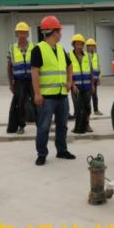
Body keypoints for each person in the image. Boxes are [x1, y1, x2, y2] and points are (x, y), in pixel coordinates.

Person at [30, 16, 75, 166]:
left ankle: (62, 150)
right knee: (44, 127)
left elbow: (69, 66)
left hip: (62, 95)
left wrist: (69, 81)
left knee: (62, 125)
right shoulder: (38, 49)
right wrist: (37, 93)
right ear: (53, 32)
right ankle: (42, 154)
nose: (61, 34)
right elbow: (34, 72)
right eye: (59, 31)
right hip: (46, 97)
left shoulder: (61, 49)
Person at [7, 21, 35, 134]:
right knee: (20, 103)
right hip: (19, 81)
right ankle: (21, 126)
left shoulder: (34, 47)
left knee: (37, 101)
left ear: (27, 34)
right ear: (16, 34)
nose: (22, 35)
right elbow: (9, 67)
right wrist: (10, 84)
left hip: (32, 80)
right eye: (20, 33)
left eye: (24, 33)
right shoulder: (12, 48)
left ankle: (40, 124)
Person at [69, 34, 95, 134]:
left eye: (81, 44)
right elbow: (67, 72)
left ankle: (87, 124)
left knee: (87, 107)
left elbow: (91, 71)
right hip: (76, 87)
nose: (79, 46)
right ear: (74, 45)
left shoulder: (88, 56)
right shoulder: (69, 56)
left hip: (87, 86)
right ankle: (78, 125)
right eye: (77, 44)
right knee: (78, 107)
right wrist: (72, 84)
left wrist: (92, 85)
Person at [86, 38, 103, 116]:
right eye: (90, 46)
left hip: (95, 79)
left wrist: (99, 78)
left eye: (93, 46)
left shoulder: (96, 56)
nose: (91, 47)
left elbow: (99, 67)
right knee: (87, 96)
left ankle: (96, 110)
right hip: (87, 79)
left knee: (94, 95)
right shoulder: (85, 55)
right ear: (87, 47)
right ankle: (87, 110)